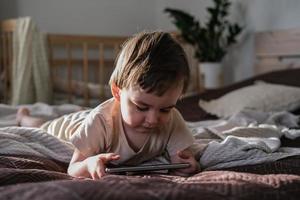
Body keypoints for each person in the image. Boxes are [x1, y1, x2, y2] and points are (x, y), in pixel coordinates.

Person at [16, 31, 200, 179]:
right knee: (42, 126)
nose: (153, 119)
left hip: (93, 120)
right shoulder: (100, 121)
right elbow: (73, 169)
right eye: (141, 107)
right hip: (77, 125)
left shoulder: (173, 120)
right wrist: (88, 164)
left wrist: (187, 164)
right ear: (117, 92)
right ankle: (23, 116)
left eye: (165, 109)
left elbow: (182, 157)